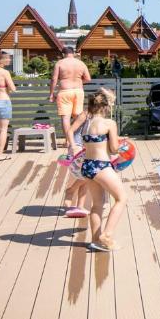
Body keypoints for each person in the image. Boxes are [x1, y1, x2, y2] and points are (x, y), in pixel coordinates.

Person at [80, 89, 126, 252]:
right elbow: (113, 149)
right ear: (105, 107)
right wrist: (121, 145)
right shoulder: (109, 124)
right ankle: (107, 235)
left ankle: (95, 240)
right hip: (101, 166)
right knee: (121, 199)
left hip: (87, 166)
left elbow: (93, 144)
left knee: (97, 204)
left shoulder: (86, 124)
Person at [51, 46, 91, 157]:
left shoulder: (60, 63)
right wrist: (77, 81)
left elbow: (54, 79)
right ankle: (80, 139)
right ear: (73, 53)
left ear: (63, 54)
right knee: (78, 116)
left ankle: (68, 141)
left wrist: (51, 94)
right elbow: (88, 79)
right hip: (78, 91)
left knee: (65, 118)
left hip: (65, 91)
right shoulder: (81, 64)